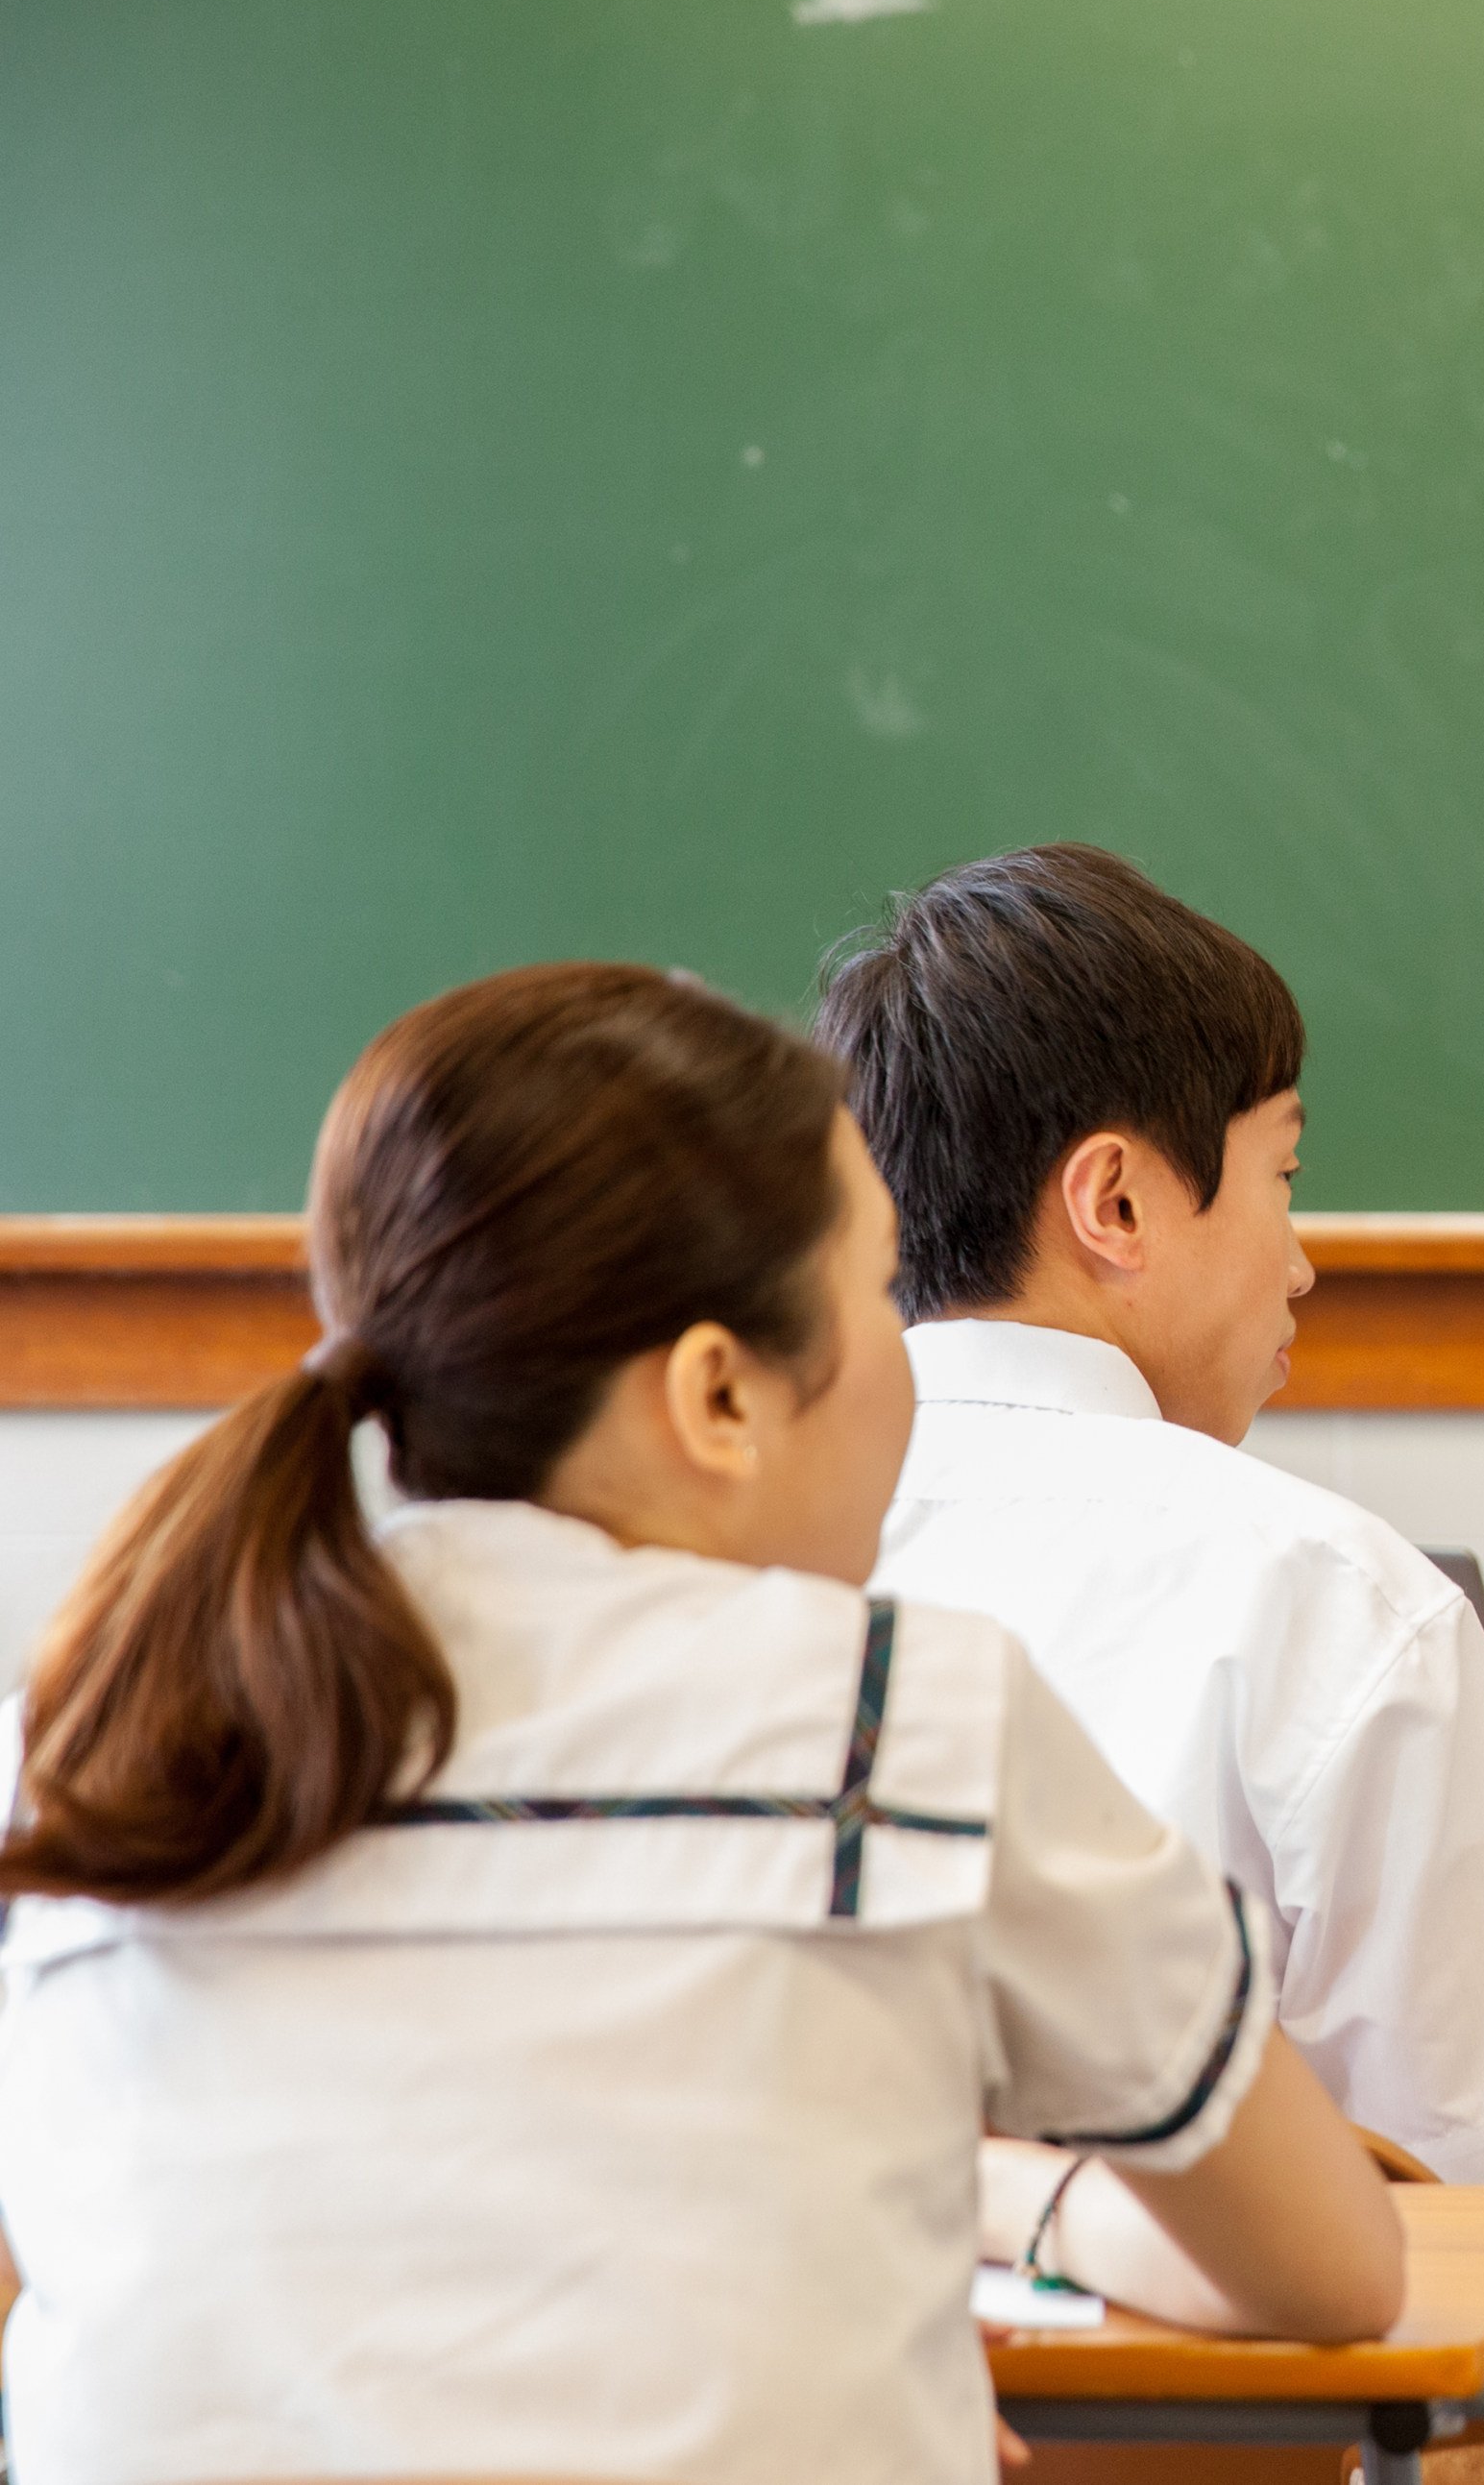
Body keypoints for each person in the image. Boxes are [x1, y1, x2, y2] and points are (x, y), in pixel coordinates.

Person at [0, 964, 1403, 2485]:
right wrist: (983, 2191)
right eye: (878, 1290)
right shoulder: (899, 1719)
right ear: (719, 1394)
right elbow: (1335, 2265)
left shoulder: (89, 1743)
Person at [817, 843, 1484, 2194]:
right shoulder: (1335, 1594)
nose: (1304, 1262)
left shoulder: (734, 1570)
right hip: (1220, 2336)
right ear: (1115, 1203)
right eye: (1285, 1175)